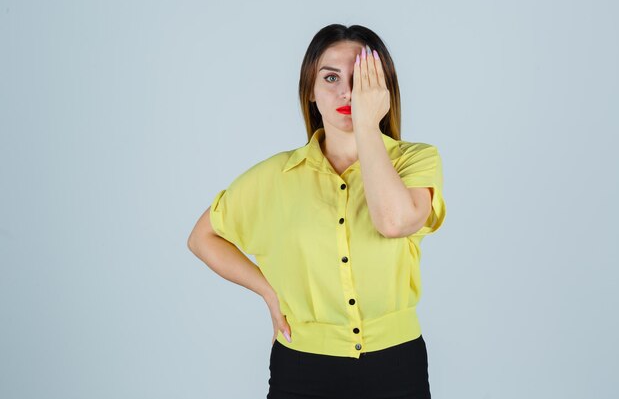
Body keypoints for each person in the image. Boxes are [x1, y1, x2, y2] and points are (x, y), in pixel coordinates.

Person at [187, 23, 447, 399]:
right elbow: (202, 238)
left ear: (381, 90)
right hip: (302, 368)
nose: (347, 91)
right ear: (310, 89)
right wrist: (268, 292)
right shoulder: (276, 176)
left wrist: (366, 126)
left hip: (396, 364)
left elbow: (394, 222)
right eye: (330, 77)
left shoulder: (415, 161)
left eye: (362, 79)